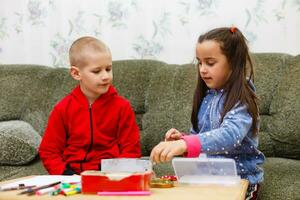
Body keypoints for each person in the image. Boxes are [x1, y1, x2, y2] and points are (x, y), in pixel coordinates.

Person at [150, 27, 265, 200]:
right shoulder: (207, 96)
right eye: (200, 62)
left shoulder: (243, 93)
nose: (202, 69)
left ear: (233, 62)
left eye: (210, 63)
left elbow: (230, 135)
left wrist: (186, 144)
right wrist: (182, 139)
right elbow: (201, 138)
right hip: (209, 178)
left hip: (241, 180)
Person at [39, 36, 141, 175]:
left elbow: (131, 150)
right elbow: (49, 151)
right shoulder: (62, 109)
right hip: (70, 177)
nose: (105, 76)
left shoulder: (122, 107)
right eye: (97, 71)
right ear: (76, 73)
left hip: (110, 176)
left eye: (108, 69)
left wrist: (113, 172)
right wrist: (65, 174)